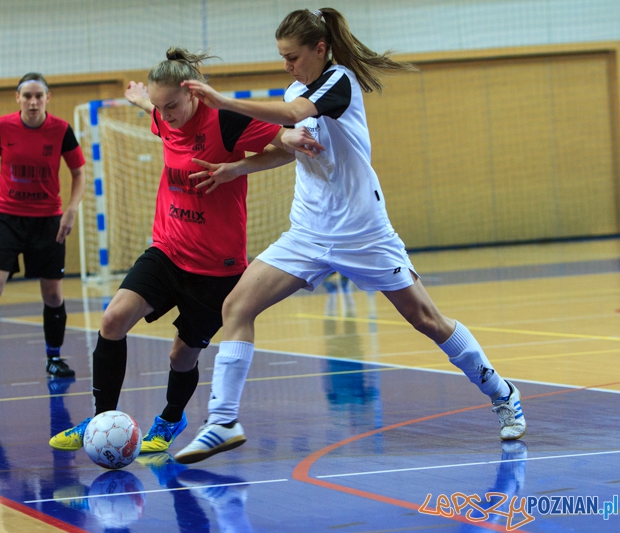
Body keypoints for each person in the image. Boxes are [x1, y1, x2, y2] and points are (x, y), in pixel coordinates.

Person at [174, 7, 526, 464]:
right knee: (237, 306)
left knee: (427, 320)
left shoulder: (338, 81)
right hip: (308, 232)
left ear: (320, 49)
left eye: (293, 57)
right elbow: (291, 147)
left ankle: (502, 392)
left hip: (362, 232)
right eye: (282, 57)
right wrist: (237, 167)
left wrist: (223, 101)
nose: (287, 66)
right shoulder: (296, 87)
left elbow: (294, 113)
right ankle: (222, 420)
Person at [48, 48, 300, 455]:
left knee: (182, 356)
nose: (165, 115)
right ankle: (100, 419)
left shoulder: (225, 120)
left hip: (217, 268)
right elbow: (154, 106)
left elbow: (286, 149)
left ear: (194, 94)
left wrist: (235, 169)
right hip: (167, 249)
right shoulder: (162, 116)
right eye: (159, 106)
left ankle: (170, 418)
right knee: (112, 319)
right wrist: (138, 98)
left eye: (173, 105)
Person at [0, 72, 86, 386]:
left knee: (53, 293)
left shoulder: (61, 131)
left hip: (47, 220)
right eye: (27, 96)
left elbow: (79, 172)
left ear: (47, 99)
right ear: (17, 98)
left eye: (38, 96)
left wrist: (71, 210)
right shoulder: (3, 127)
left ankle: (54, 358)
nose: (33, 102)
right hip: (5, 216)